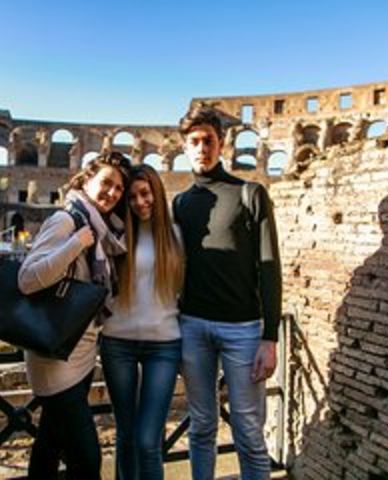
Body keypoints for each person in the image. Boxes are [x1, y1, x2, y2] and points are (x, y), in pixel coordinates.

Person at [172, 108, 282, 480]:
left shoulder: (250, 193)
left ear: (222, 144)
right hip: (192, 326)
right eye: (194, 142)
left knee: (249, 430)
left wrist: (270, 338)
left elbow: (269, 267)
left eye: (208, 140)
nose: (202, 148)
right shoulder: (181, 204)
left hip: (243, 329)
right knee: (200, 425)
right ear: (184, 147)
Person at [18, 151, 131, 480]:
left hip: (80, 352)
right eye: (106, 183)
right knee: (86, 459)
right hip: (54, 355)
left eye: (118, 189)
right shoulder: (68, 220)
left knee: (49, 445)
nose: (112, 193)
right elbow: (27, 279)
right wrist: (75, 244)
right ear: (86, 180)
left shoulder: (103, 230)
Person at [100, 164, 184, 480]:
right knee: (126, 433)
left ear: (157, 194)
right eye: (132, 196)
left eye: (145, 193)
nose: (139, 202)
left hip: (164, 344)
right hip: (116, 341)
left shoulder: (176, 236)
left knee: (149, 440)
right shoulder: (116, 234)